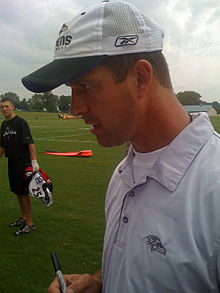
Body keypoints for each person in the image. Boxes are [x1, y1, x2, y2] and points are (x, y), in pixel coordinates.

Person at [21, 1, 220, 292]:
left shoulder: (212, 189)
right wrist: (99, 282)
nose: (75, 108)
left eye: (84, 86)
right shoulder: (123, 174)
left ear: (140, 78)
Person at [0, 97, 39, 235]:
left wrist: (34, 161)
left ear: (12, 107)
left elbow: (30, 143)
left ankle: (30, 223)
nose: (4, 109)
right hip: (12, 161)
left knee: (23, 193)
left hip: (23, 162)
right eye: (2, 107)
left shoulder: (20, 122)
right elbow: (3, 146)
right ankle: (23, 217)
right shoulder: (4, 125)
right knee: (17, 192)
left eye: (6, 106)